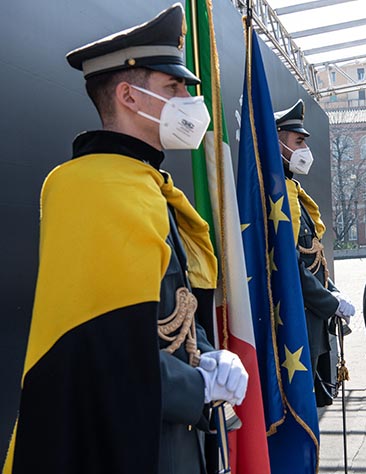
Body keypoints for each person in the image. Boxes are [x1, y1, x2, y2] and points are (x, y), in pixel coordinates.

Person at [4, 6, 248, 474]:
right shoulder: (93, 186)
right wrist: (197, 387)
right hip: (129, 436)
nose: (188, 102)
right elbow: (107, 342)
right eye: (173, 88)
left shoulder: (146, 183)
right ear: (128, 96)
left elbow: (167, 305)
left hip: (167, 423)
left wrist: (205, 354)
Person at [275, 99, 355, 408]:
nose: (305, 150)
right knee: (299, 414)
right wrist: (329, 301)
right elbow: (288, 264)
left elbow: (315, 258)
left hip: (314, 325)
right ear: (277, 142)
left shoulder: (295, 193)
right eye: (298, 142)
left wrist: (333, 291)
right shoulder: (276, 197)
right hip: (297, 326)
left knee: (316, 408)